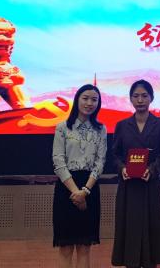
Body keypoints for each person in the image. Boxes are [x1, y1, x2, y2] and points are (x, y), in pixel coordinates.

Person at [111, 80, 160, 268]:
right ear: (130, 99)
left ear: (151, 98)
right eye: (136, 96)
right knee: (129, 230)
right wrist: (122, 168)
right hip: (128, 188)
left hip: (150, 186)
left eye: (144, 96)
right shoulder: (122, 125)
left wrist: (152, 170)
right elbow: (114, 155)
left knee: (151, 231)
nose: (140, 100)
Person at [52, 84, 107, 268]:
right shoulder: (62, 128)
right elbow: (58, 161)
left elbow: (100, 162)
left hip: (89, 188)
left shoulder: (101, 129)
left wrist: (85, 191)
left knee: (84, 247)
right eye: (85, 98)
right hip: (66, 188)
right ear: (77, 100)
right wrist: (76, 192)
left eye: (94, 100)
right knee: (65, 247)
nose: (89, 103)